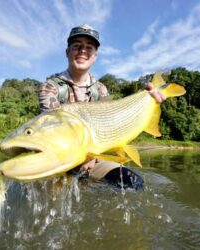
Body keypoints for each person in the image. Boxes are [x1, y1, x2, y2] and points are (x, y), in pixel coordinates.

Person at [38, 25, 166, 190]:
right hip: (59, 160)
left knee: (133, 183)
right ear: (67, 52)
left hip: (94, 159)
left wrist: (147, 99)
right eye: (77, 46)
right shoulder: (50, 86)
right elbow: (52, 133)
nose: (83, 51)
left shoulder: (101, 89)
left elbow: (112, 126)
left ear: (95, 56)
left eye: (89, 48)